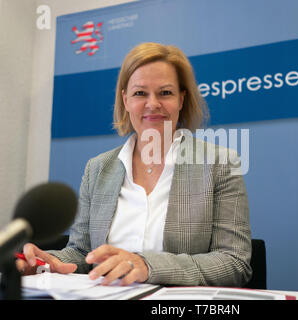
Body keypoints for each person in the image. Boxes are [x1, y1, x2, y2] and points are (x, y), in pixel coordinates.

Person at [16, 42, 252, 287]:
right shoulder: (97, 168)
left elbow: (234, 262)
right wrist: (49, 262)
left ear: (181, 99)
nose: (152, 104)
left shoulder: (219, 164)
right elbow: (81, 252)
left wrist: (146, 265)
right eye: (140, 93)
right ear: (125, 99)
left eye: (165, 93)